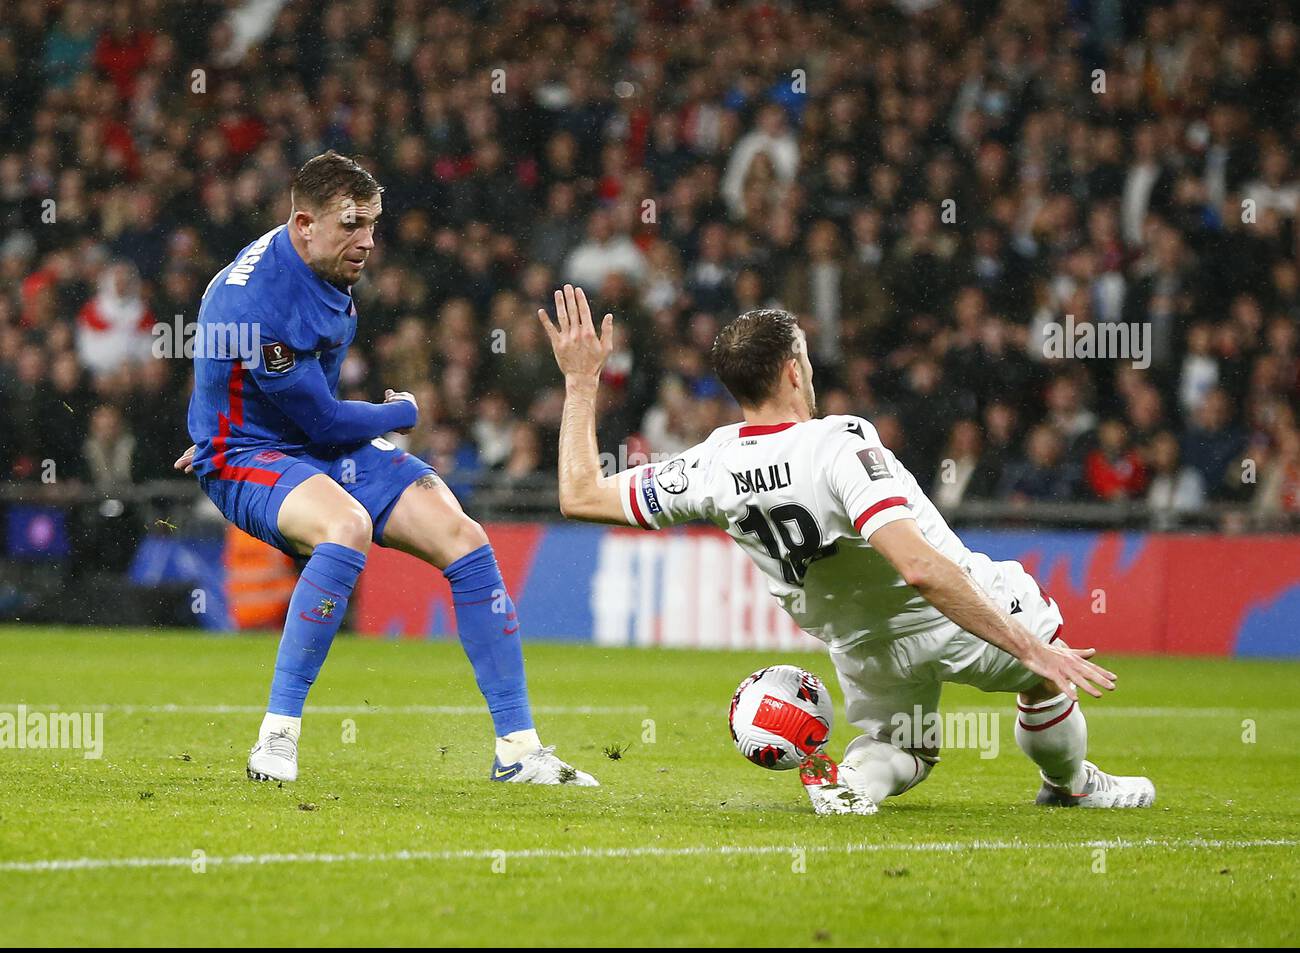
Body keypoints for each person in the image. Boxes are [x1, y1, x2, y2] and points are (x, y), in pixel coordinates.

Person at [540, 289, 1153, 814]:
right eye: (803, 354)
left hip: (865, 648)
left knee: (904, 749)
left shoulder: (710, 464)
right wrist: (1032, 650)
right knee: (1047, 686)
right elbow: (917, 567)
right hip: (952, 614)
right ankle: (1069, 784)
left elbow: (580, 493)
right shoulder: (839, 444)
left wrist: (580, 382)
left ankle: (852, 782)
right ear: (792, 371)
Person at [175, 152, 596, 787]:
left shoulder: (324, 263)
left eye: (372, 224)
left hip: (310, 441)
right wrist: (398, 410)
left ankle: (518, 749)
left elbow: (302, 406)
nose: (367, 240)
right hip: (247, 455)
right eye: (352, 225)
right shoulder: (253, 302)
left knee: (465, 537)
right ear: (303, 222)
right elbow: (321, 421)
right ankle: (276, 740)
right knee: (346, 526)